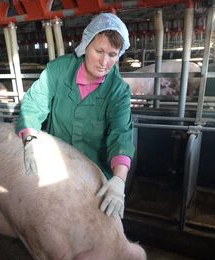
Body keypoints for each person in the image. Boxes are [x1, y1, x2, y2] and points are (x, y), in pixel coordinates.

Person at [16, 12, 135, 219]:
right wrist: (30, 139)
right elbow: (34, 105)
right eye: (99, 51)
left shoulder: (118, 90)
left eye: (113, 55)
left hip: (95, 175)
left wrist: (118, 181)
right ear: (86, 45)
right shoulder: (58, 71)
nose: (104, 62)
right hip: (55, 165)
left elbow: (121, 133)